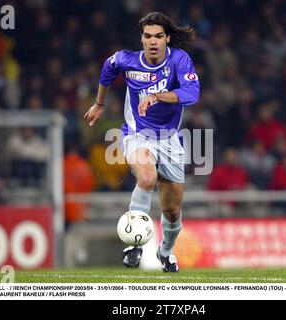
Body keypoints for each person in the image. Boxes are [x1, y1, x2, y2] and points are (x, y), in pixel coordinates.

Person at [84, 12, 200, 272]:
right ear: (142, 38)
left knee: (171, 211)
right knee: (146, 178)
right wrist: (99, 103)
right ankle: (134, 245)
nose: (153, 41)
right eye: (147, 36)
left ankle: (166, 252)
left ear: (167, 38)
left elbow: (192, 93)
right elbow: (108, 67)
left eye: (159, 36)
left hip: (170, 140)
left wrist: (158, 96)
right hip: (137, 134)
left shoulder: (179, 60)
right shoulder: (128, 60)